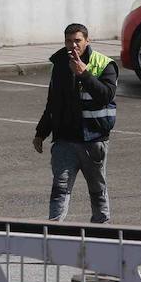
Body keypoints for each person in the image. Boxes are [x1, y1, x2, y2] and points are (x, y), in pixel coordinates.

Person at [33, 23, 117, 224]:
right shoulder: (60, 63)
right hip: (65, 140)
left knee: (97, 190)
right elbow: (53, 102)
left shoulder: (104, 64)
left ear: (87, 41)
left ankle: (102, 229)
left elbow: (106, 95)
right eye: (69, 41)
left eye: (77, 41)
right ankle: (53, 229)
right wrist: (41, 132)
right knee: (60, 189)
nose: (73, 45)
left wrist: (84, 74)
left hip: (93, 140)